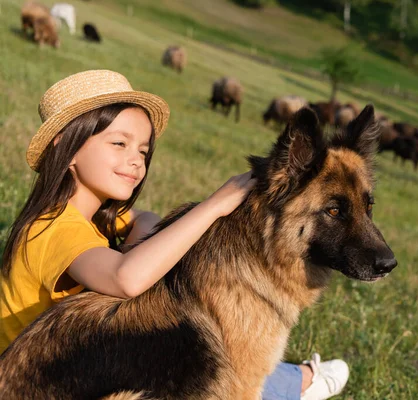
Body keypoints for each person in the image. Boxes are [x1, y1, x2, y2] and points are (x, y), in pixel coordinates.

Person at [0, 70, 348, 400]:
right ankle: (300, 382)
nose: (136, 161)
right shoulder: (51, 229)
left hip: (86, 370)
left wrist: (138, 245)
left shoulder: (97, 218)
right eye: (119, 143)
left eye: (143, 150)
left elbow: (146, 219)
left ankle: (294, 381)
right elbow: (126, 279)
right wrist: (214, 206)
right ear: (67, 146)